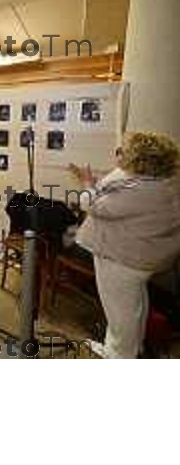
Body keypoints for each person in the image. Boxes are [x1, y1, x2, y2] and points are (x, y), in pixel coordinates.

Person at [70, 132, 180, 358]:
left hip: (122, 260)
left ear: (140, 158)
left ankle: (120, 356)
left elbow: (93, 205)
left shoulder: (139, 188)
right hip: (139, 258)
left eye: (125, 150)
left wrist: (87, 183)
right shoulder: (158, 181)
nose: (119, 153)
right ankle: (125, 348)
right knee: (134, 308)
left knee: (120, 314)